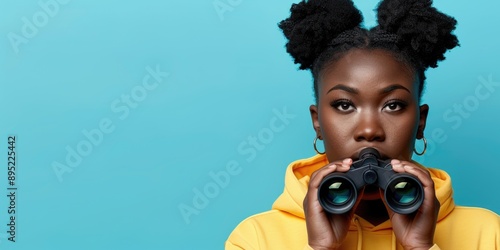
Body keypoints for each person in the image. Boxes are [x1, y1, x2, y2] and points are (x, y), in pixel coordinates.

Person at [225, 0, 500, 249]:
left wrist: (421, 248)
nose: (369, 130)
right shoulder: (255, 238)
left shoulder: (488, 234)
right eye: (344, 105)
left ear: (421, 122)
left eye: (393, 105)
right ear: (317, 123)